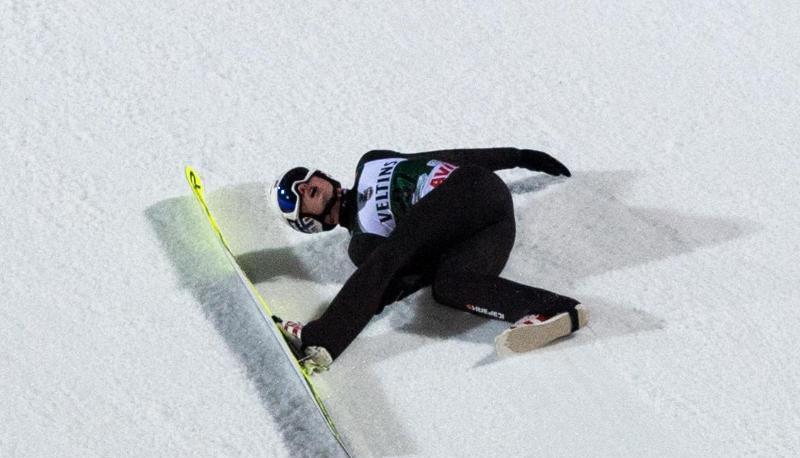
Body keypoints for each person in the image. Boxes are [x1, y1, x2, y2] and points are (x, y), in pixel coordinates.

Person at [269, 147, 588, 371]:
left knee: (393, 252)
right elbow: (402, 274)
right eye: (295, 196)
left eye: (305, 179)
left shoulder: (370, 162)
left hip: (473, 189)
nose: (304, 186)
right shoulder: (361, 244)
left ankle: (321, 339)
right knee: (449, 286)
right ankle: (555, 309)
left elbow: (450, 158)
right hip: (487, 231)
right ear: (307, 223)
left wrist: (518, 157)